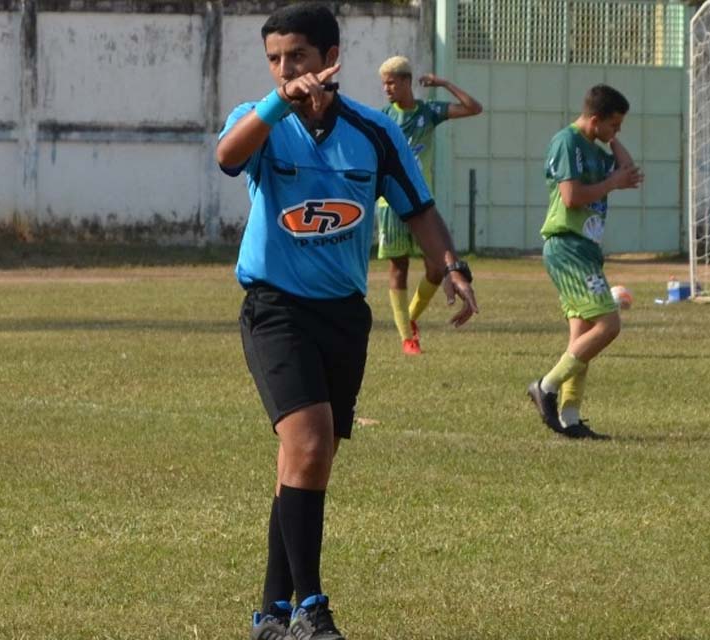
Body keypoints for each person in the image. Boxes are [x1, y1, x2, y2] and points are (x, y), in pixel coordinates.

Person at [215, 4, 479, 639]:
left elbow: (419, 209)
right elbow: (228, 157)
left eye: (298, 57)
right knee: (306, 444)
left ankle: (271, 615)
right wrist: (277, 103)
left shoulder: (373, 132)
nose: (286, 70)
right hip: (275, 307)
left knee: (308, 459)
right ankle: (312, 609)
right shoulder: (261, 120)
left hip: (342, 316)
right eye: (275, 59)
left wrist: (453, 265)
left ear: (330, 56)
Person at [527, 85, 643, 440]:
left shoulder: (594, 147)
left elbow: (627, 169)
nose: (617, 134)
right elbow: (571, 196)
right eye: (614, 126)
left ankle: (571, 417)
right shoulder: (567, 143)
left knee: (582, 335)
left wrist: (611, 144)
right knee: (609, 326)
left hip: (585, 248)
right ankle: (545, 387)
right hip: (568, 246)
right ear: (595, 120)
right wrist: (611, 183)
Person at [376, 55, 483, 355]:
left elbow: (474, 108)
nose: (387, 88)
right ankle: (406, 337)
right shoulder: (383, 118)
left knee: (437, 269)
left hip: (422, 203)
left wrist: (444, 83)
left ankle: (408, 319)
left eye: (392, 82)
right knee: (399, 267)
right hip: (391, 205)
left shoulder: (428, 113)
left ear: (407, 82)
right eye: (383, 83)